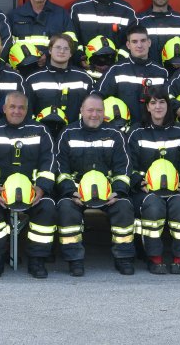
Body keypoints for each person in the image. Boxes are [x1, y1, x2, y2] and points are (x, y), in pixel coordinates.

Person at [55, 94, 136, 276]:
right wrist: (70, 191)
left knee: (124, 207)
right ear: (81, 111)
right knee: (66, 208)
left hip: (109, 193)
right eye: (90, 110)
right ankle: (74, 260)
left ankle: (124, 258)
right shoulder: (68, 133)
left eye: (99, 110)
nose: (94, 114)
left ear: (104, 112)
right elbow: (60, 168)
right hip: (76, 193)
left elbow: (124, 168)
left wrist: (118, 191)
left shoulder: (115, 134)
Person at [0, 92, 57, 279]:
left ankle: (37, 259)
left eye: (21, 107)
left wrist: (42, 187)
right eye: (12, 107)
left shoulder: (41, 131)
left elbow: (49, 162)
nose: (17, 111)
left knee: (47, 207)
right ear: (4, 108)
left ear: (27, 109)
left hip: (34, 192)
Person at [126, 86, 180, 274]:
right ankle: (154, 259)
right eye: (153, 102)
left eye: (162, 102)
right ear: (147, 107)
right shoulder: (136, 132)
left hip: (176, 189)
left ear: (168, 105)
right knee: (153, 207)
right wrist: (138, 182)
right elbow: (128, 164)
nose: (158, 106)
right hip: (146, 191)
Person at [24, 33, 95, 137]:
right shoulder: (33, 78)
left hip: (76, 135)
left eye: (66, 48)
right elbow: (27, 111)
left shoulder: (84, 78)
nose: (62, 51)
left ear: (71, 53)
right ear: (50, 50)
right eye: (58, 47)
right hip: (41, 135)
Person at [98, 25, 168, 127]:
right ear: (128, 45)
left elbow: (168, 100)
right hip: (124, 129)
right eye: (134, 42)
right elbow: (97, 94)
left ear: (149, 42)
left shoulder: (161, 72)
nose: (139, 45)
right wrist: (98, 112)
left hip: (153, 131)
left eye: (143, 41)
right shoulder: (116, 70)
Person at [8, 0, 75, 60]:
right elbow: (8, 44)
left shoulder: (61, 14)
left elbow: (71, 42)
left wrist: (47, 55)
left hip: (52, 64)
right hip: (23, 65)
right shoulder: (14, 15)